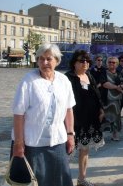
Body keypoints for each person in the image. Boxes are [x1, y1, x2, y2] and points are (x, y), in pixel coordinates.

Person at [11, 43, 75, 186]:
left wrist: (70, 134)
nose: (44, 62)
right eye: (40, 59)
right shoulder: (28, 81)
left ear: (57, 61)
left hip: (57, 141)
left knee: (59, 179)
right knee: (34, 181)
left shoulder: (64, 80)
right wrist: (19, 143)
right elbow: (18, 114)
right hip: (32, 142)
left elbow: (69, 109)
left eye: (48, 59)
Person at [65, 50, 105, 186]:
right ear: (74, 63)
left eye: (87, 61)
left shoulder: (89, 75)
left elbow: (97, 94)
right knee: (67, 152)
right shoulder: (68, 78)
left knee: (85, 149)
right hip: (74, 120)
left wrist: (101, 109)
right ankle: (62, 180)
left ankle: (81, 179)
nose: (85, 63)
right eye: (82, 61)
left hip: (90, 119)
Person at [100, 57, 123, 141]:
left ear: (117, 63)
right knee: (104, 116)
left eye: (113, 62)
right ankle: (101, 136)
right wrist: (117, 87)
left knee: (116, 117)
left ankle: (115, 134)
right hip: (106, 98)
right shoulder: (103, 72)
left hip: (117, 99)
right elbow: (104, 84)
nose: (111, 64)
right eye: (110, 62)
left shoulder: (119, 72)